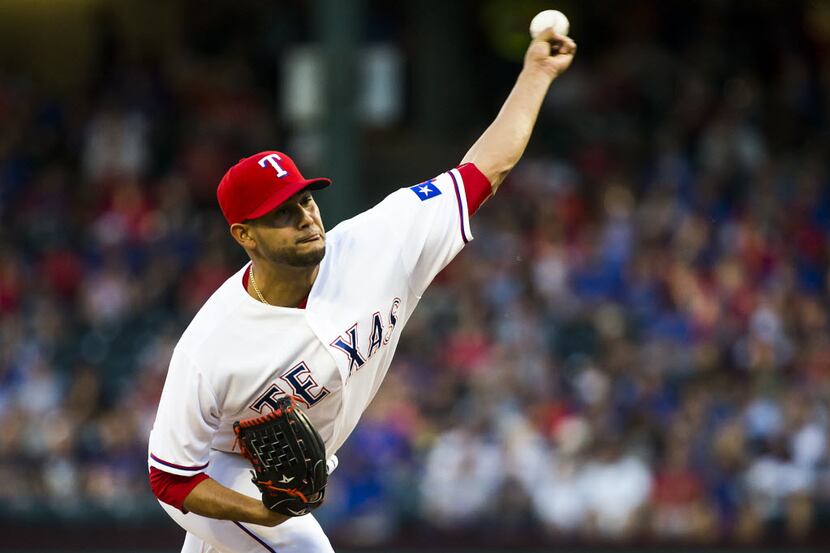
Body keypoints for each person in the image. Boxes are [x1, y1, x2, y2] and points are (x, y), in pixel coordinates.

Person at [147, 29, 576, 553]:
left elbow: (485, 169)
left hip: (270, 482)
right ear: (245, 235)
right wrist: (263, 510)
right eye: (283, 214)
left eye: (305, 200)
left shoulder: (380, 242)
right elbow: (171, 479)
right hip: (216, 475)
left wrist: (536, 72)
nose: (305, 218)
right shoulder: (209, 347)